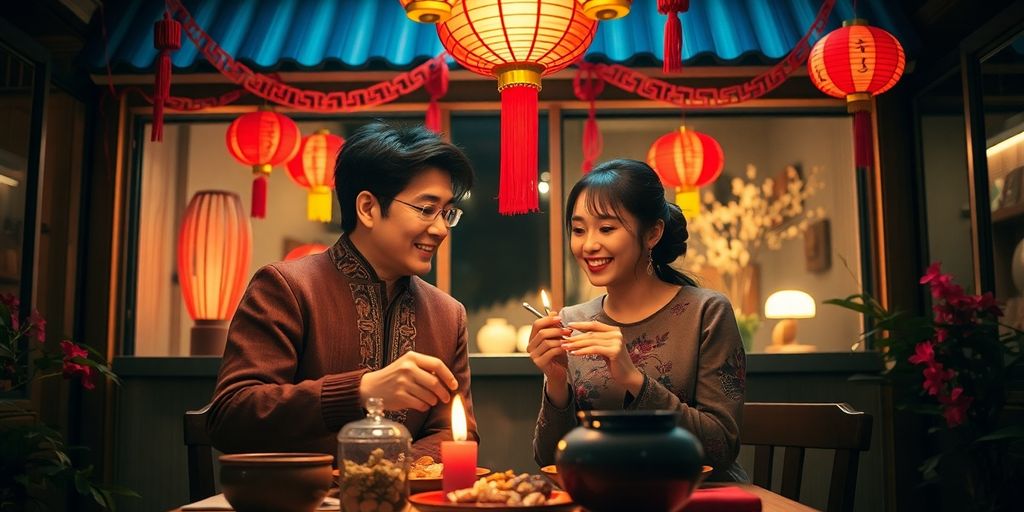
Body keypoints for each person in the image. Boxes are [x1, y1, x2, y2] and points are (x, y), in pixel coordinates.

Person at [208, 122, 479, 459]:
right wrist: (361, 391)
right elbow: (231, 417)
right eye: (426, 209)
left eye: (447, 213)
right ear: (367, 208)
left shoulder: (447, 314)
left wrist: (382, 474)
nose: (440, 229)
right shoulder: (286, 288)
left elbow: (455, 432)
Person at [530, 159, 746, 481]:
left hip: (695, 498)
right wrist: (557, 383)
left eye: (606, 228)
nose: (588, 245)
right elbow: (549, 460)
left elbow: (720, 447)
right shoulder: (572, 321)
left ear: (653, 233)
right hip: (603, 498)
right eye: (578, 230)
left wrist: (634, 379)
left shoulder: (706, 312)